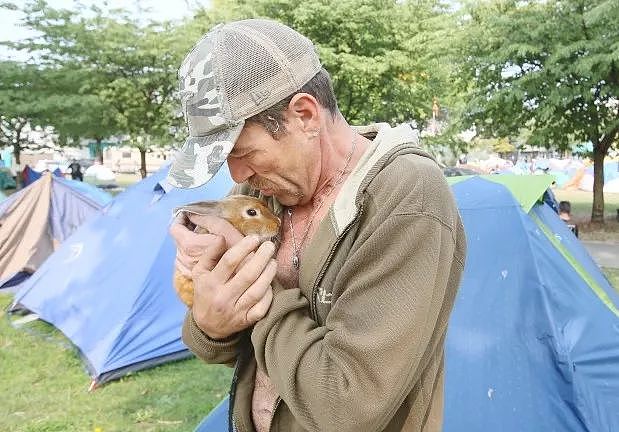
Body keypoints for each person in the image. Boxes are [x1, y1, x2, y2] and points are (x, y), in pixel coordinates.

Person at [167, 19, 466, 432]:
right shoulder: (263, 190)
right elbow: (212, 340)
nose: (236, 172)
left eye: (243, 151)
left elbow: (345, 406)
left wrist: (253, 288)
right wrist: (209, 317)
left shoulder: (406, 196)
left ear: (305, 115)